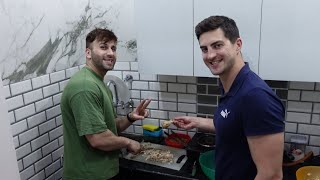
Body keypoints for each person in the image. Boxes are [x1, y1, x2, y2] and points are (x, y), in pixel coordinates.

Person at [173, 16, 285, 180]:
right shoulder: (231, 86)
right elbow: (234, 126)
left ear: (238, 45)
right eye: (204, 49)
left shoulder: (256, 97)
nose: (210, 55)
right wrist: (197, 122)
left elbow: (271, 175)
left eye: (217, 45)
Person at [61, 28, 151, 180]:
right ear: (88, 53)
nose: (111, 53)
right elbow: (98, 139)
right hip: (88, 175)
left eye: (113, 48)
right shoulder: (85, 87)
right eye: (103, 47)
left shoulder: (99, 83)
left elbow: (110, 126)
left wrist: (130, 117)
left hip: (102, 171)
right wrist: (128, 142)